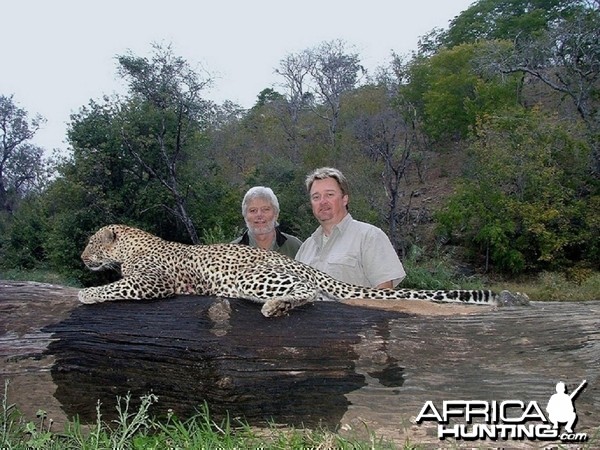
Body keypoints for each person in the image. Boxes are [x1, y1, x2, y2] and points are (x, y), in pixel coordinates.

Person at [295, 167, 406, 288]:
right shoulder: (305, 248)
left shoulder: (370, 237)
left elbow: (385, 293)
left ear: (344, 199)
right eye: (316, 197)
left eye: (329, 195)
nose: (322, 201)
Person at [232, 186, 303, 258]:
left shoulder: (295, 247)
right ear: (245, 216)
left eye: (265, 209)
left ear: (276, 214)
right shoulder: (231, 251)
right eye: (253, 210)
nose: (259, 215)